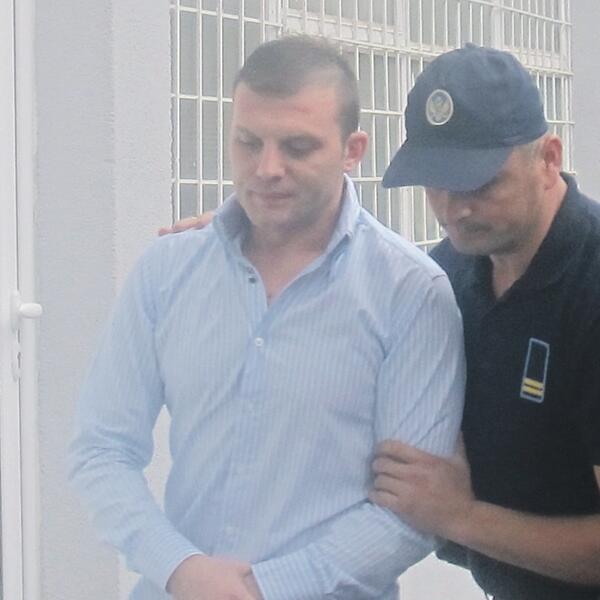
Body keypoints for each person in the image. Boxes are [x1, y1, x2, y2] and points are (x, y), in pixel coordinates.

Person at [69, 35, 466, 600]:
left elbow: (411, 512)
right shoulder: (166, 271)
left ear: (353, 150)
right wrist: (179, 567)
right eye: (248, 143)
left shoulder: (410, 294)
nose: (267, 168)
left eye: (297, 147)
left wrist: (263, 589)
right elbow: (101, 449)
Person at [370, 44, 600, 600]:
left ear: (548, 159)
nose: (455, 209)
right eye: (436, 182)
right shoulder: (451, 273)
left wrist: (460, 517)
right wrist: (257, 243)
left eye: (480, 184)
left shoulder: (590, 286)